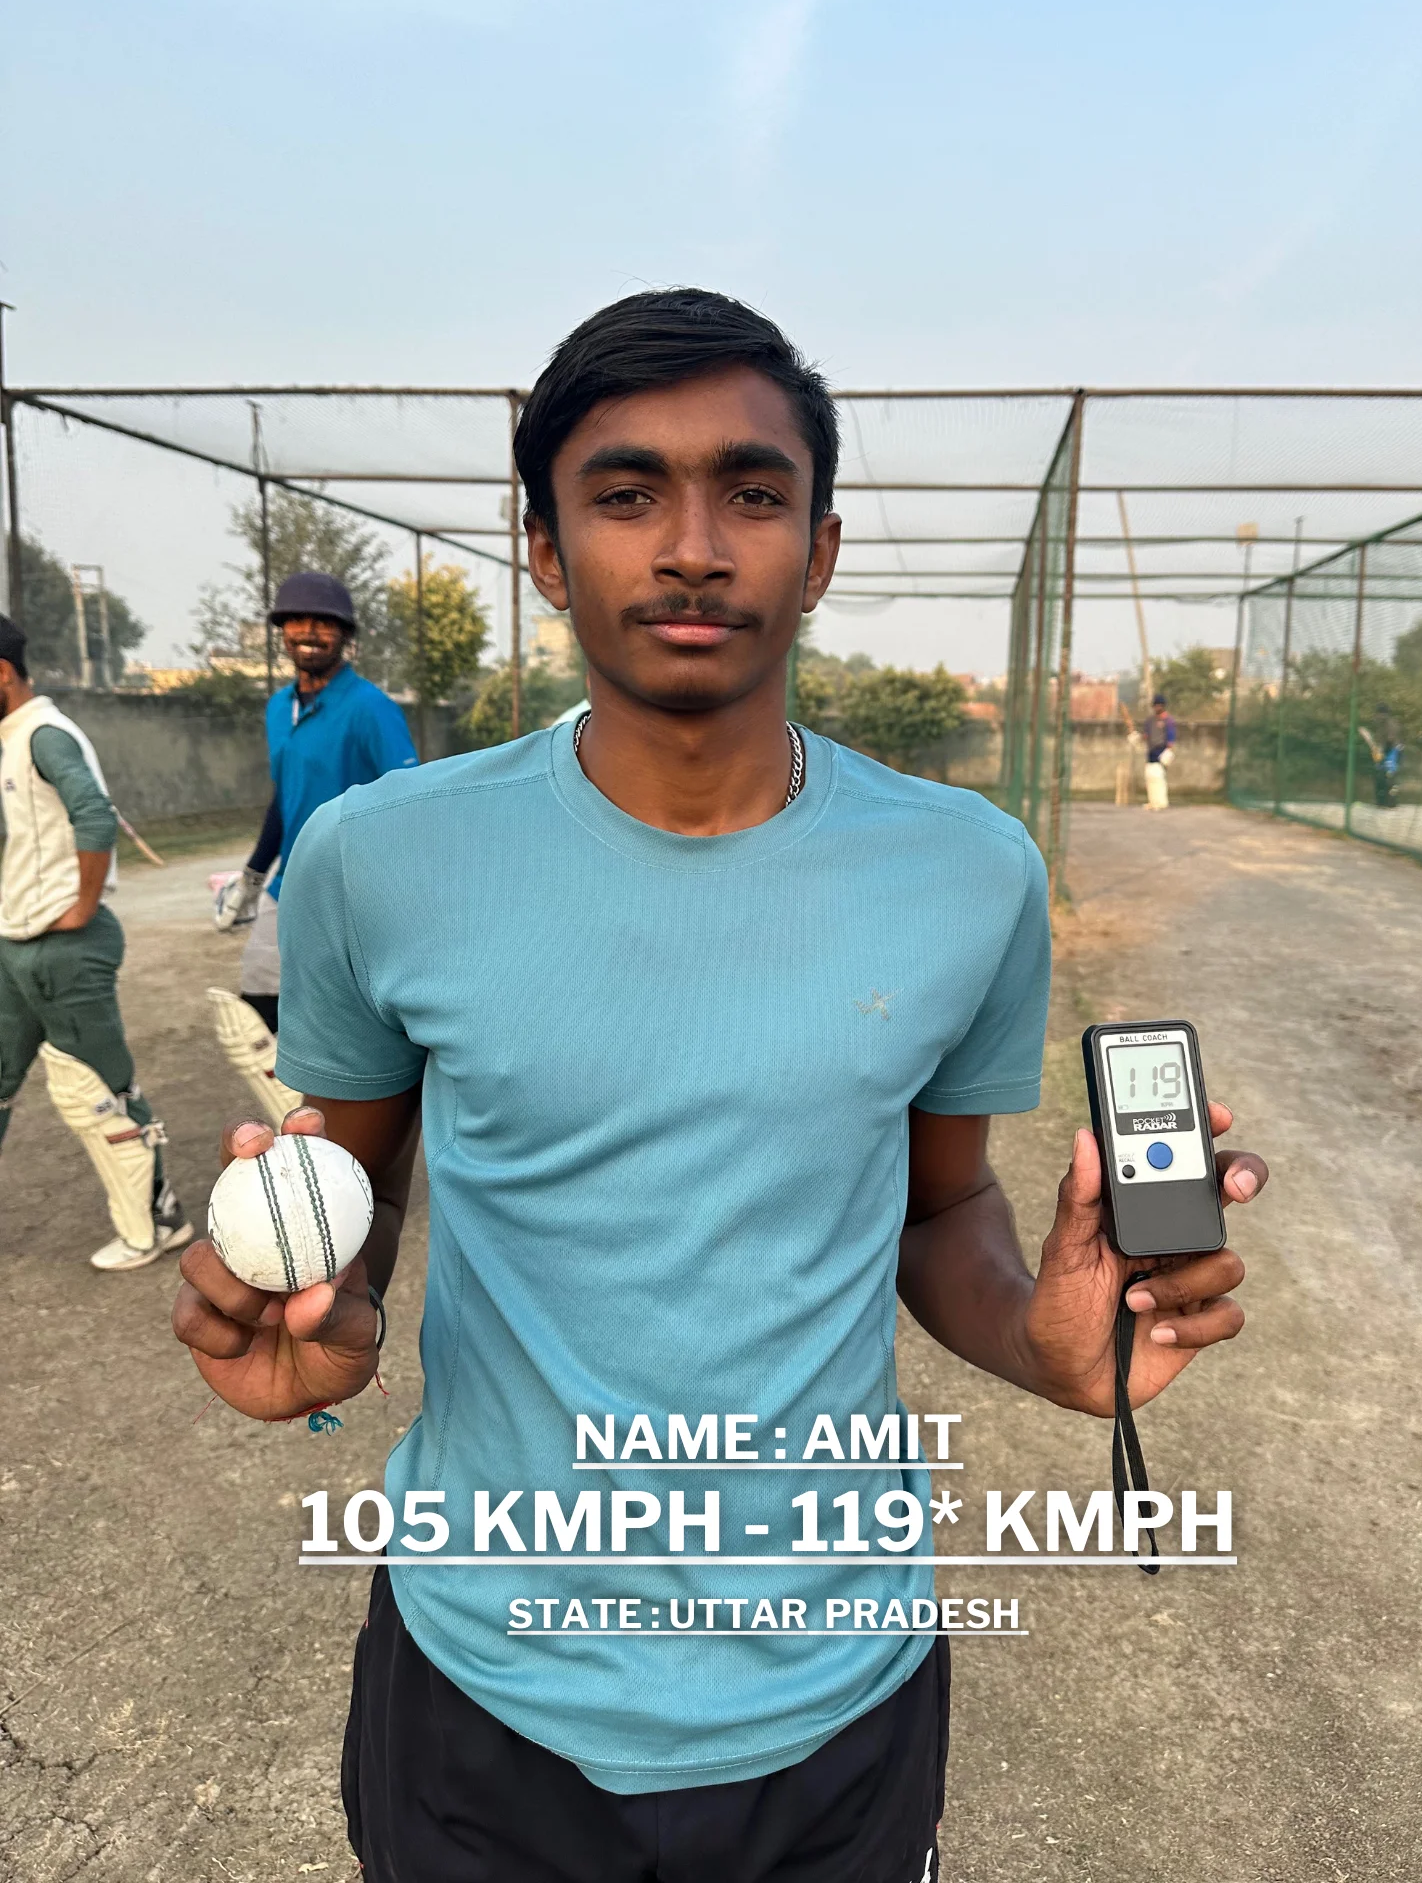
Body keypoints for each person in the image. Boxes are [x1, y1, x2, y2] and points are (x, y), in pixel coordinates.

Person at [173, 291, 1269, 1881]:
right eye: (626, 495)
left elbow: (941, 1200)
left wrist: (1046, 1341)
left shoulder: (968, 874)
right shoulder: (381, 862)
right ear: (545, 549)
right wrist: (324, 1319)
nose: (693, 547)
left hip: (840, 1691)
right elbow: (359, 1183)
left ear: (818, 550)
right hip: (488, 1667)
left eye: (753, 494)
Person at [0, 614, 189, 1270]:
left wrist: (80, 907)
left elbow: (93, 815)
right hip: (16, 944)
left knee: (104, 1089)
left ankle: (155, 1222)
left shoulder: (43, 736)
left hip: (64, 948)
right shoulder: (10, 737)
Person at [208, 571, 418, 1113]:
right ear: (281, 632)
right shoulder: (280, 708)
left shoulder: (371, 708)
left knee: (354, 1010)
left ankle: (344, 1106)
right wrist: (253, 878)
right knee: (258, 993)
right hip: (290, 879)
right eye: (296, 620)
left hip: (354, 883)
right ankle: (301, 1107)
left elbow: (405, 799)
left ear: (345, 636)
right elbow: (285, 796)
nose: (308, 631)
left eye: (324, 623)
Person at [1143, 691, 1176, 809]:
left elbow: (1171, 739)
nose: (1157, 707)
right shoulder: (1150, 720)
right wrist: (1136, 737)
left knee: (1158, 777)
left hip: (1162, 750)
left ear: (1163, 706)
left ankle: (1161, 802)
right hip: (1151, 750)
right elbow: (1145, 736)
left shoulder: (1169, 721)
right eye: (1155, 705)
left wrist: (1168, 751)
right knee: (1150, 777)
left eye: (1159, 705)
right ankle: (1152, 801)